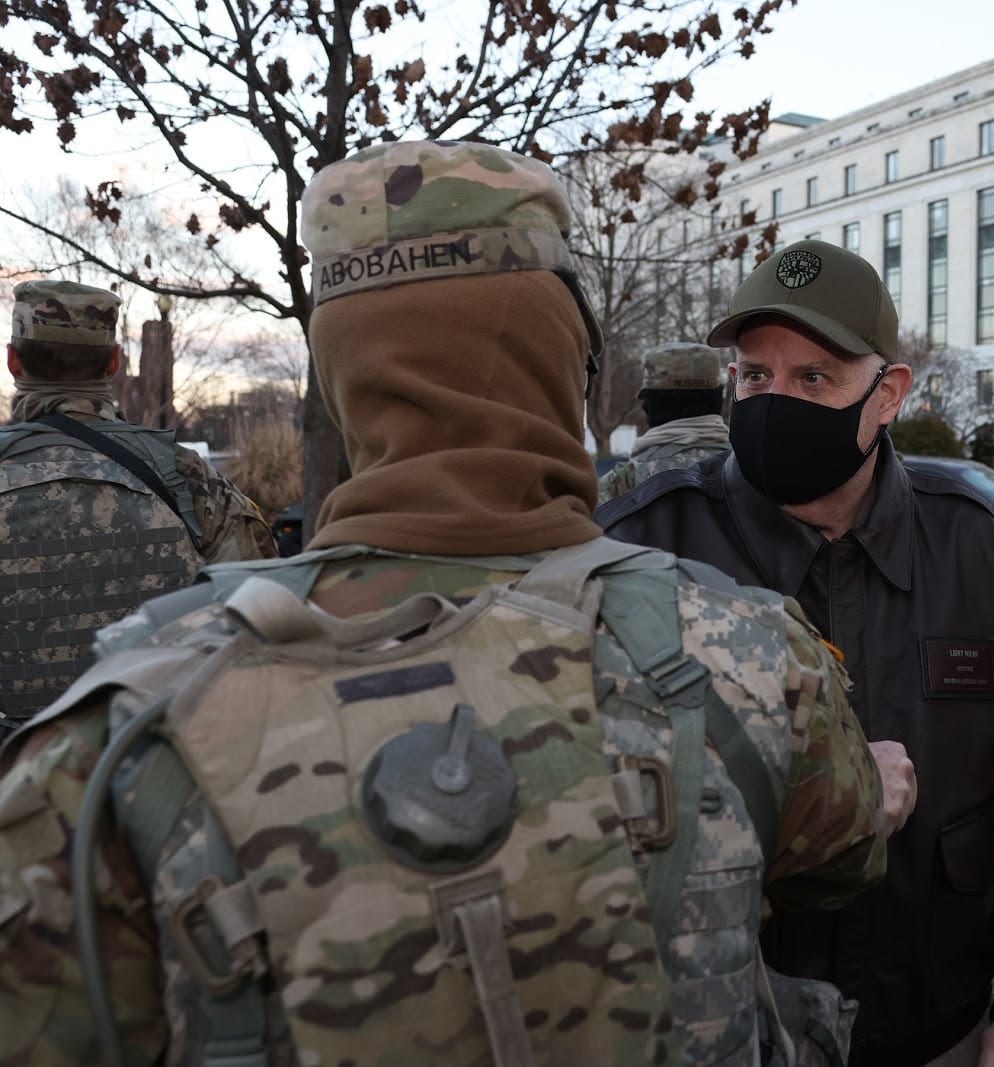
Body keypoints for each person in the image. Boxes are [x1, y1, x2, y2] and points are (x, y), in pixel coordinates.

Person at [0, 141, 903, 1066]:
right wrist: (878, 789)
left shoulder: (116, 737)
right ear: (568, 357)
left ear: (340, 370)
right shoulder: (750, 657)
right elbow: (839, 860)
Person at [598, 238, 994, 1067]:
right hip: (710, 1033)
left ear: (888, 396)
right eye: (756, 376)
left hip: (935, 1030)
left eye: (814, 378)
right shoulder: (644, 548)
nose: (775, 400)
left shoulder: (982, 555)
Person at [0, 280, 274, 726]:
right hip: (155, 759)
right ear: (113, 362)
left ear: (13, 360)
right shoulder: (188, 475)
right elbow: (257, 612)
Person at [596, 341, 730, 503]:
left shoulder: (623, 482)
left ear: (653, 404)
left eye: (646, 398)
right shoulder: (751, 470)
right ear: (717, 399)